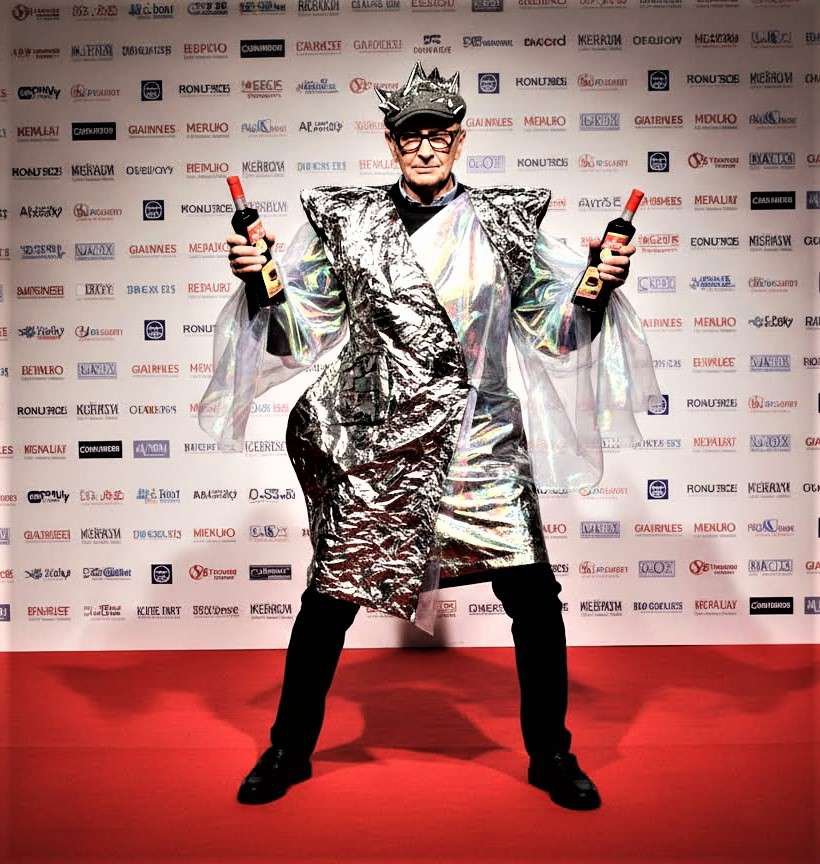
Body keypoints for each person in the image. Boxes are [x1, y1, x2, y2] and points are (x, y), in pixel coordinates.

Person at [200, 63, 659, 811]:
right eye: (410, 135)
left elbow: (558, 332)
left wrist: (597, 284)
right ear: (390, 143)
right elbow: (299, 330)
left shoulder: (505, 222)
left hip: (479, 438)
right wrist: (261, 280)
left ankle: (551, 754)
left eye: (438, 134)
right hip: (376, 441)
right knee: (331, 595)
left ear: (459, 140)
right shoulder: (346, 221)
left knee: (533, 596)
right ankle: (288, 750)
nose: (424, 147)